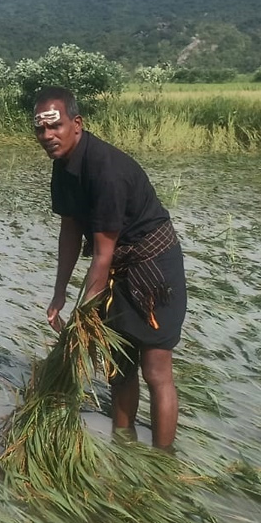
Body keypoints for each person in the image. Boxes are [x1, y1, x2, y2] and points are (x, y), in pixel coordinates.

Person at [33, 86, 187, 450]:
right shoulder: (63, 168)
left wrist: (83, 316)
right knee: (119, 368)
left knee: (155, 371)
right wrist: (59, 293)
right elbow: (70, 231)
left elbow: (102, 254)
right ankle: (123, 450)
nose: (47, 135)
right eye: (40, 129)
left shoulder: (106, 170)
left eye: (55, 126)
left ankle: (162, 462)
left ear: (77, 124)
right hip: (117, 267)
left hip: (154, 268)